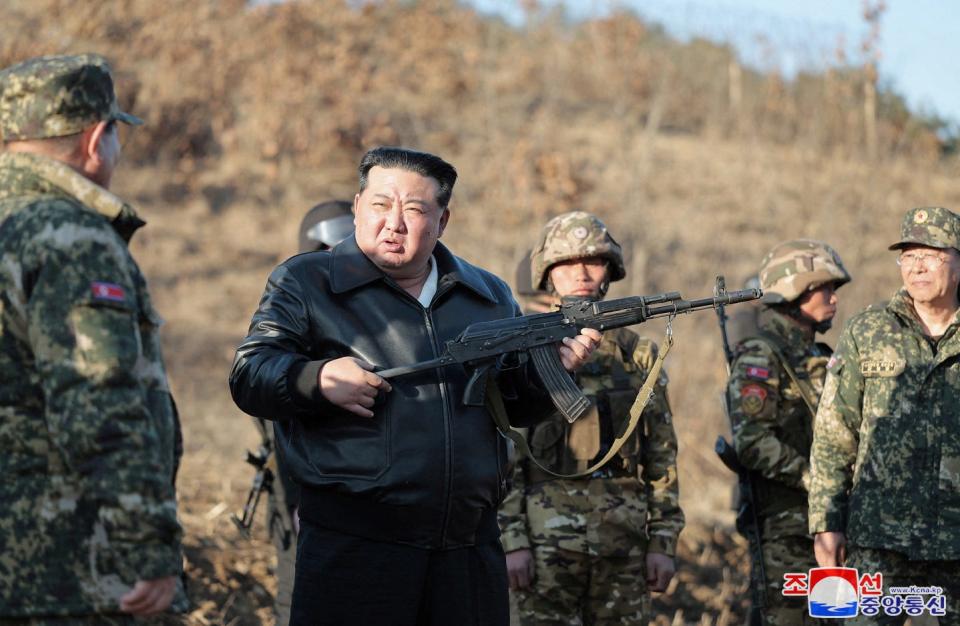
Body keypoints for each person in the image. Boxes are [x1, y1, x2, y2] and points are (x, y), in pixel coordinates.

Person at [228, 146, 600, 626]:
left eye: (415, 209)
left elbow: (510, 403)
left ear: (443, 221)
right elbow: (249, 373)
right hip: (355, 550)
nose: (394, 223)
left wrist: (553, 370)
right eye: (381, 205)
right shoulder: (306, 282)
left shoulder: (487, 295)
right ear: (358, 206)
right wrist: (314, 378)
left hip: (468, 550)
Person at [0, 54, 185, 622]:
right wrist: (146, 545)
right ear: (97, 137)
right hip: (61, 570)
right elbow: (97, 399)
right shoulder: (69, 237)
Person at [498, 211, 684, 625]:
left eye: (593, 260)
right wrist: (512, 541)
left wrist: (663, 541)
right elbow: (504, 453)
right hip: (543, 547)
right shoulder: (525, 346)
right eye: (566, 262)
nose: (581, 272)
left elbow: (662, 455)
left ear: (610, 271)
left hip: (624, 545)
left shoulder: (638, 354)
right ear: (548, 273)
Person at [809, 206, 960, 625]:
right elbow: (834, 433)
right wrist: (825, 521)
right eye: (908, 256)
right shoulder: (869, 330)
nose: (917, 266)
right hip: (878, 539)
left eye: (930, 254)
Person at [727, 240, 850, 625]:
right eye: (823, 288)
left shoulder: (821, 357)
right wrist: (817, 480)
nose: (833, 298)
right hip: (785, 529)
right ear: (795, 290)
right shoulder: (762, 355)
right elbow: (752, 442)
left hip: (831, 525)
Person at [266, 199, 355, 626]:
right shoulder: (292, 305)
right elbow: (267, 404)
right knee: (300, 601)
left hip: (360, 496)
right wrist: (298, 500)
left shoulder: (368, 308)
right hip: (300, 488)